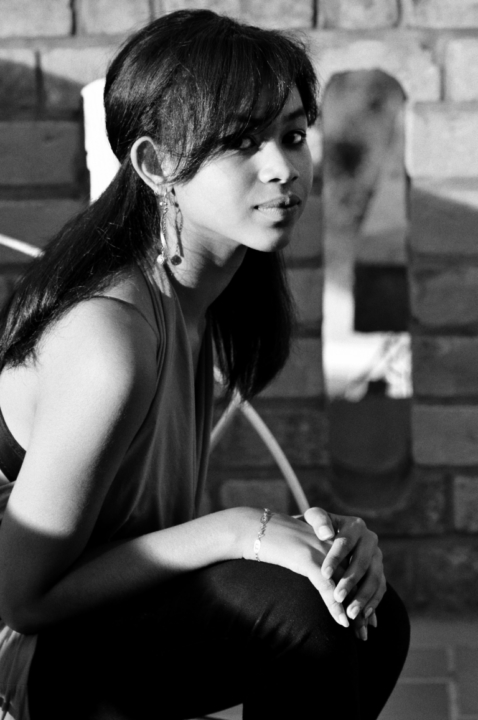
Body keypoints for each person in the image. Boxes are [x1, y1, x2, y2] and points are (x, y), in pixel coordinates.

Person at [0, 9, 409, 720]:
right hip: (24, 654)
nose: (282, 168)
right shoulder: (108, 337)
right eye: (241, 143)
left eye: (292, 135)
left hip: (97, 621)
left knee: (363, 610)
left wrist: (329, 543)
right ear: (156, 166)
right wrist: (241, 530)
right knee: (302, 618)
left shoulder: (205, 299)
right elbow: (23, 598)